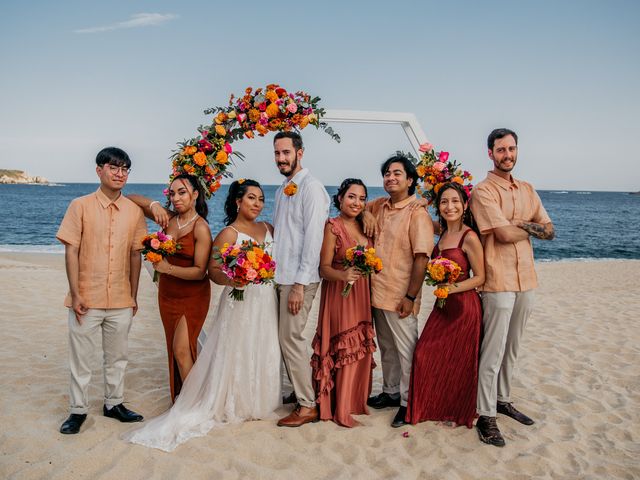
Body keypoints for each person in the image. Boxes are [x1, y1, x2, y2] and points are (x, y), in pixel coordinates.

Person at [123, 179, 281, 451]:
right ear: (237, 201)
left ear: (195, 195)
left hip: (261, 298)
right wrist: (235, 279)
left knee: (260, 345)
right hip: (230, 298)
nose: (257, 204)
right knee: (228, 348)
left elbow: (283, 257)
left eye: (260, 199)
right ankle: (192, 397)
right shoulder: (226, 234)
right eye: (251, 198)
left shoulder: (267, 228)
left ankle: (241, 399)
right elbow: (216, 272)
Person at [470, 128, 555, 447]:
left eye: (512, 149)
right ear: (490, 153)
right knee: (492, 349)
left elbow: (551, 231)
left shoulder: (528, 189)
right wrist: (528, 228)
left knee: (513, 346)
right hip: (497, 279)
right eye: (501, 150)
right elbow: (503, 236)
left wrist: (518, 225)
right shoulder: (483, 191)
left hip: (526, 278)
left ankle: (502, 399)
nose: (508, 155)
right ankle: (485, 414)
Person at [57, 147, 147, 434]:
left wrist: (133, 295)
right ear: (100, 170)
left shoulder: (134, 212)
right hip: (86, 298)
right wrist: (76, 294)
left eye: (125, 169)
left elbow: (136, 255)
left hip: (121, 298)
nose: (120, 174)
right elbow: (72, 251)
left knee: (118, 357)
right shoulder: (79, 205)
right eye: (114, 168)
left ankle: (114, 404)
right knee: (81, 359)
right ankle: (78, 410)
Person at [406, 182, 485, 428]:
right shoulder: (440, 232)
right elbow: (420, 218)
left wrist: (452, 288)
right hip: (443, 307)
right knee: (423, 354)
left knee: (458, 361)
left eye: (455, 201)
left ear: (465, 205)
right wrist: (425, 202)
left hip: (464, 307)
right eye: (444, 202)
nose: (449, 206)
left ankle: (454, 409)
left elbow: (480, 277)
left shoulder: (469, 237)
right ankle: (434, 406)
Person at [129, 174, 212, 402]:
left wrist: (167, 269)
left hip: (192, 295)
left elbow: (200, 271)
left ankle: (192, 404)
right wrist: (155, 205)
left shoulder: (200, 227)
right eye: (172, 193)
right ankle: (183, 397)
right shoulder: (169, 219)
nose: (176, 198)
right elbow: (130, 199)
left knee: (182, 349)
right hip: (167, 295)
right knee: (174, 348)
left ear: (195, 194)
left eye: (182, 192)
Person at [365, 154, 434, 428]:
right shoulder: (380, 205)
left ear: (410, 180)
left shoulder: (417, 212)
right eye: (386, 174)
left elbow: (422, 257)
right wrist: (366, 214)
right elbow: (356, 207)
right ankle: (391, 392)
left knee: (407, 352)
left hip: (400, 294)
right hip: (377, 292)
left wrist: (410, 296)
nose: (390, 178)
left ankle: (409, 403)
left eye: (397, 173)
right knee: (387, 348)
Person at [272, 131, 330, 428]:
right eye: (277, 153)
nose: (281, 158)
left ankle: (307, 405)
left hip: (299, 279)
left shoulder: (311, 188)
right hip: (279, 276)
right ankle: (298, 391)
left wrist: (299, 284)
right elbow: (284, 235)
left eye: (286, 152)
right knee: (282, 339)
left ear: (300, 153)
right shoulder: (283, 189)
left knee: (291, 339)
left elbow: (313, 238)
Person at [311, 178, 377, 427]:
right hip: (339, 293)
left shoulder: (365, 225)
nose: (357, 203)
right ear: (340, 198)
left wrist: (368, 212)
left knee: (358, 345)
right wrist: (343, 275)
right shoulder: (332, 227)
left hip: (361, 296)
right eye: (351, 197)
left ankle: (353, 402)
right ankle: (339, 408)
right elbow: (324, 268)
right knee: (343, 347)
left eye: (362, 198)